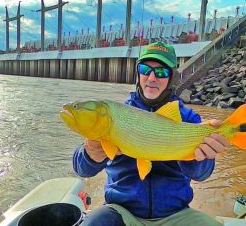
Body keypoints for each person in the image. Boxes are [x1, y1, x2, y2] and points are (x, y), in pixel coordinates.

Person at [73, 41, 229, 226]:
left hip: (176, 215)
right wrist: (90, 153)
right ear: (138, 74)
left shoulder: (188, 119)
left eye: (161, 72)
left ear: (171, 78)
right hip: (121, 212)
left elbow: (202, 175)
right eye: (146, 69)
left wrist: (199, 158)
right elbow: (82, 169)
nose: (152, 77)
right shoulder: (115, 115)